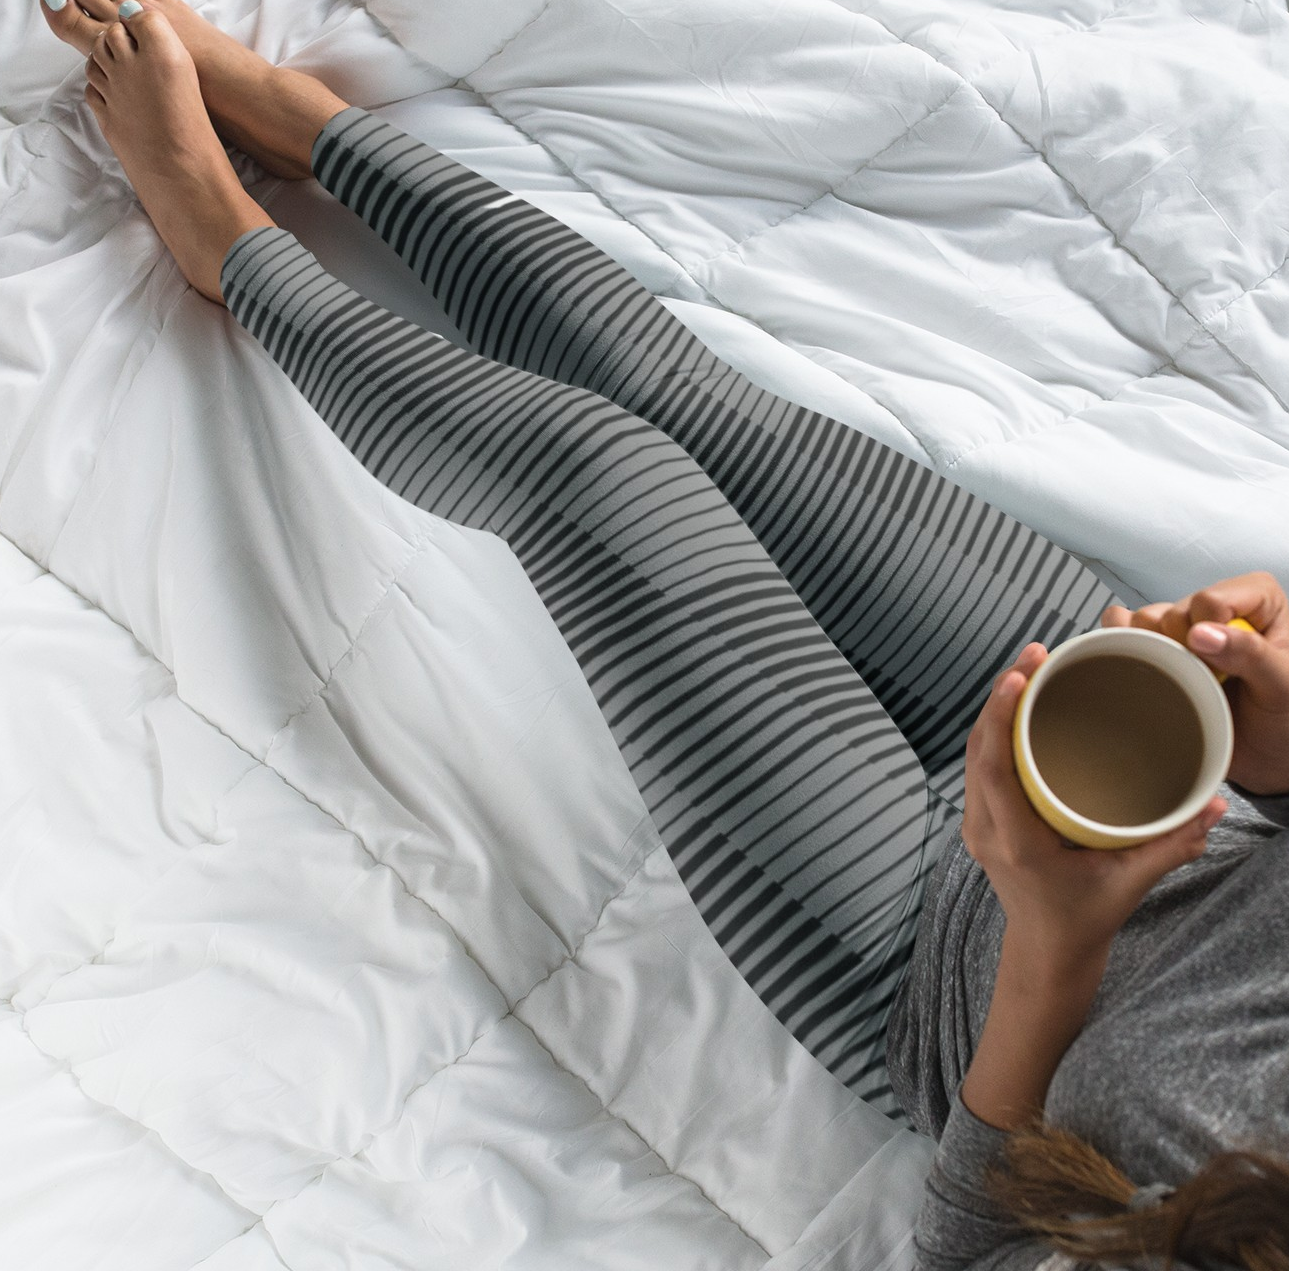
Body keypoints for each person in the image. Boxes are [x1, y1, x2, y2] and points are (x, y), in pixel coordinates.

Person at [36, 3, 1289, 1266]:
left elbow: (967, 1245)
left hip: (917, 948)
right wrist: (1279, 749)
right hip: (1133, 766)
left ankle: (227, 244)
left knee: (596, 468)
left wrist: (1052, 941)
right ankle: (318, 133)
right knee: (684, 396)